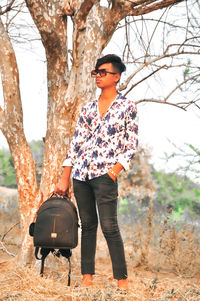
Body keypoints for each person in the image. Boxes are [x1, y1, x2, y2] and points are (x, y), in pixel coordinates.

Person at [54, 54, 138, 290]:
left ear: (116, 76)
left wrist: (115, 171)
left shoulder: (127, 106)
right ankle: (87, 278)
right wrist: (65, 178)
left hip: (105, 175)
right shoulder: (88, 108)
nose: (98, 76)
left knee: (110, 226)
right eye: (96, 72)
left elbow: (131, 144)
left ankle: (121, 281)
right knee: (88, 226)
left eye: (103, 72)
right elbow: (75, 143)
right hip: (81, 174)